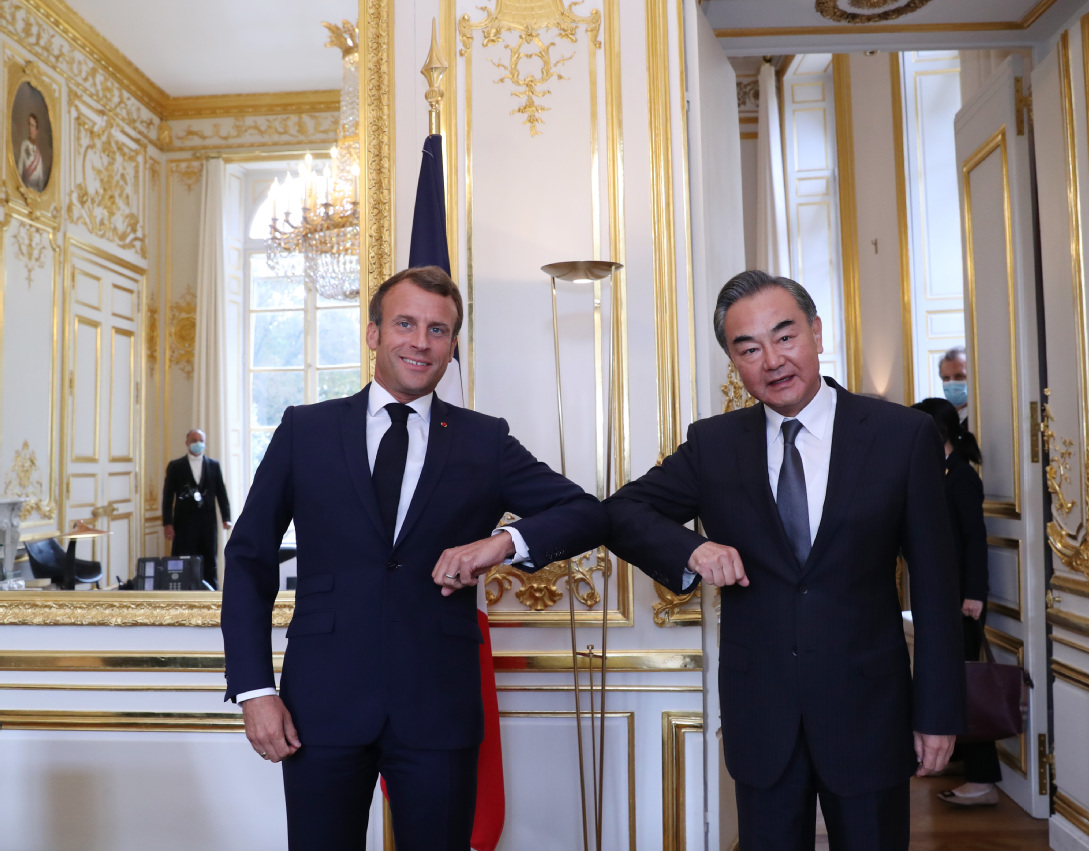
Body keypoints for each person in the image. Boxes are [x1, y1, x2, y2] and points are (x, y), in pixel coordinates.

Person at [221, 266, 606, 851]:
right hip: (320, 705)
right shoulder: (306, 430)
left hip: (439, 708)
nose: (421, 342)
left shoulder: (484, 440)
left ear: (452, 346)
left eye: (437, 330)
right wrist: (254, 690)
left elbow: (585, 512)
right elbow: (249, 560)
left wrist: (502, 543)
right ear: (373, 333)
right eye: (405, 324)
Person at [606, 270, 965, 850]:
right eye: (748, 348)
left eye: (785, 336)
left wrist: (939, 712)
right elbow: (622, 511)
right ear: (734, 362)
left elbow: (936, 586)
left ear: (816, 333)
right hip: (762, 717)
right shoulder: (714, 444)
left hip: (868, 713)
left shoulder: (902, 435)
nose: (772, 360)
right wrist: (692, 548)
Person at [911, 397, 999, 807]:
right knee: (949, 678)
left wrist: (974, 593)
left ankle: (982, 778)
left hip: (964, 599)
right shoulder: (939, 471)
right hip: (945, 596)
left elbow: (975, 539)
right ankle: (957, 757)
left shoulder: (962, 476)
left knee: (966, 686)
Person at [162, 428, 232, 588]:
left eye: (201, 441)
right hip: (183, 523)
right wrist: (167, 523)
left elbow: (221, 493)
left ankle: (211, 593)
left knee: (209, 560)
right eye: (194, 440)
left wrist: (226, 518)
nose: (198, 443)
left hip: (208, 523)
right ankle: (181, 592)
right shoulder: (175, 466)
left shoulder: (214, 465)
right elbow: (168, 496)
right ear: (187, 443)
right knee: (183, 558)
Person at [938, 346, 969, 427]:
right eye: (946, 378)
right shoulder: (938, 418)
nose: (952, 383)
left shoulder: (981, 417)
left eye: (959, 376)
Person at [18, 113, 47, 192]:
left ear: (36, 130)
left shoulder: (39, 155)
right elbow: (20, 170)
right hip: (25, 190)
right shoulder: (24, 145)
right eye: (29, 125)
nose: (30, 128)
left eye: (33, 126)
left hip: (36, 193)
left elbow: (41, 180)